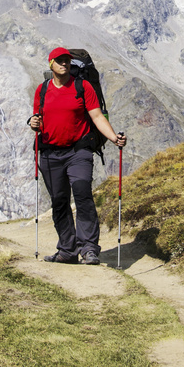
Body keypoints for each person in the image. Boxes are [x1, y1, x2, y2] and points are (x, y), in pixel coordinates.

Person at [28, 47, 127, 265]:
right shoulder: (42, 90)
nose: (65, 64)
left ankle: (89, 249)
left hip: (78, 151)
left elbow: (96, 116)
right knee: (59, 201)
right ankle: (67, 250)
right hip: (50, 153)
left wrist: (113, 137)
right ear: (50, 63)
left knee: (82, 194)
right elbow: (38, 118)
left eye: (68, 61)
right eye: (60, 60)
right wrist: (32, 123)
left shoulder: (83, 87)